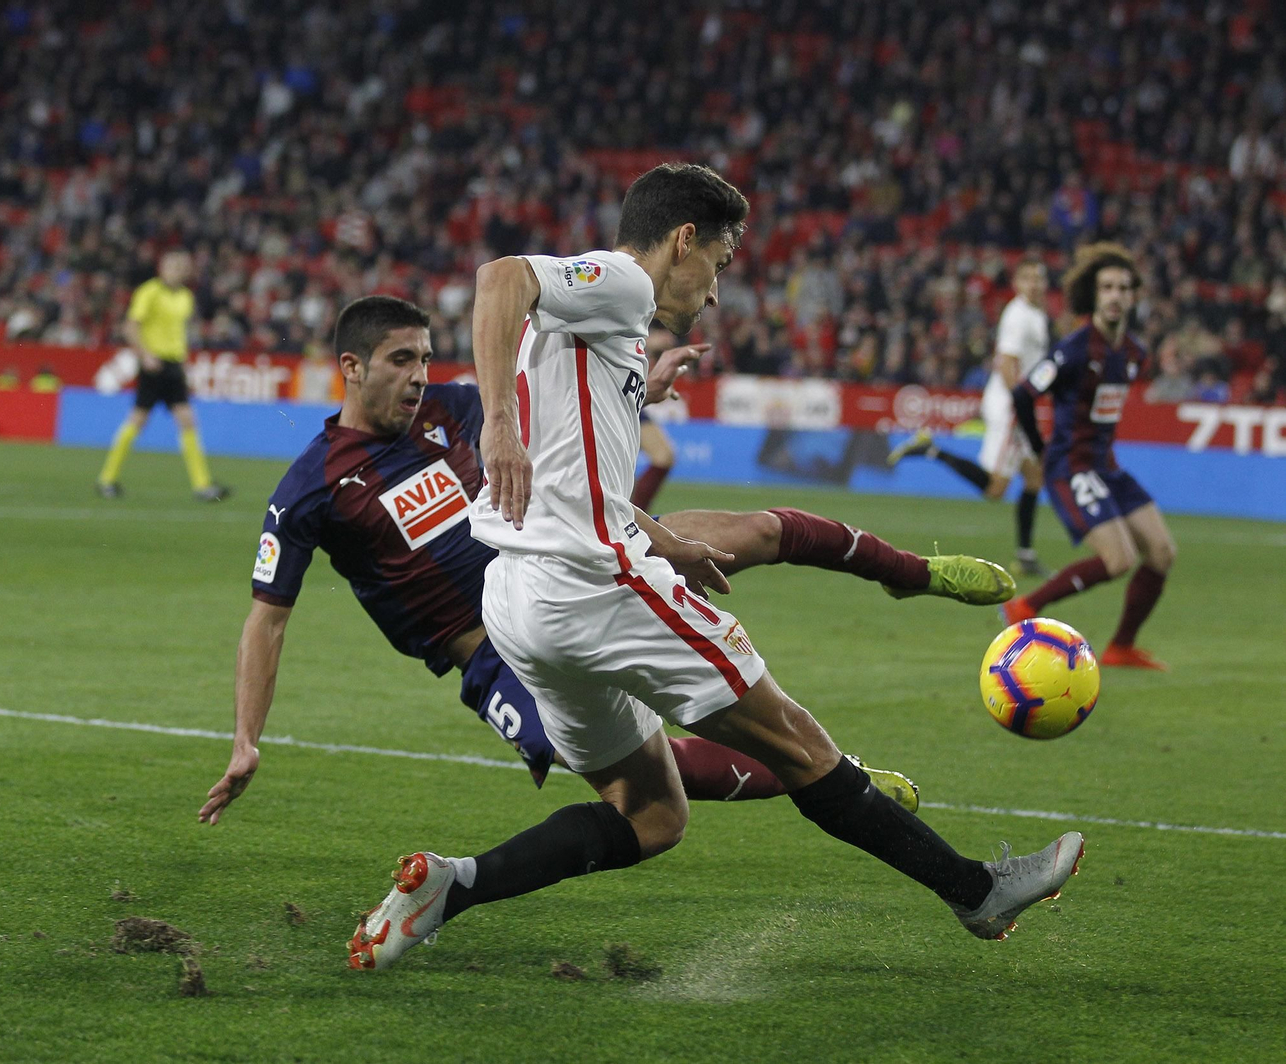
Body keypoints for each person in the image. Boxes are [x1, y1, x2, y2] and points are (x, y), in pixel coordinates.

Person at [348, 163, 1081, 972]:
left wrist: (662, 529)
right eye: (721, 264)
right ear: (683, 240)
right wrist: (497, 428)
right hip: (592, 591)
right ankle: (976, 891)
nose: (718, 291)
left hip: (517, 604)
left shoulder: (602, 330)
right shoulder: (624, 281)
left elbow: (579, 473)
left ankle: (452, 887)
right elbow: (498, 278)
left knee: (652, 813)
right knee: (801, 747)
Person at [199, 294, 1017, 831]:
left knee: (760, 531)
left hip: (578, 550)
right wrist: (246, 740)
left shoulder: (457, 409)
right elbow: (266, 621)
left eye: (424, 357)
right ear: (351, 369)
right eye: (400, 362)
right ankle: (839, 776)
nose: (420, 378)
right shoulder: (311, 487)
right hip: (491, 651)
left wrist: (640, 389)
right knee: (654, 782)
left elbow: (560, 428)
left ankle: (914, 575)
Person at [1002, 243, 1175, 670]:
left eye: (1123, 287)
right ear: (1094, 296)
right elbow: (1024, 394)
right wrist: (1041, 451)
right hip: (1070, 466)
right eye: (1107, 287)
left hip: (1107, 466)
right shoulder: (1075, 349)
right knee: (1119, 560)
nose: (1115, 295)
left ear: (1133, 295)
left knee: (1163, 552)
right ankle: (1025, 605)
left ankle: (1121, 647)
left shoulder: (1133, 353)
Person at [887, 259, 1054, 575]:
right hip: (1011, 407)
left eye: (1039, 278)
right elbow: (1006, 365)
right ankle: (930, 449)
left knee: (1034, 476)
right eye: (1028, 278)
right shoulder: (1019, 316)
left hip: (1018, 404)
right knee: (995, 490)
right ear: (1017, 283)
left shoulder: (1036, 314)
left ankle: (1027, 555)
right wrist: (1021, 406)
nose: (1035, 284)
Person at [96, 249, 230, 501]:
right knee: (138, 420)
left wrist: (183, 360)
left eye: (181, 267)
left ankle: (202, 485)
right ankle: (106, 478)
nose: (177, 271)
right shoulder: (149, 292)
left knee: (187, 419)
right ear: (162, 268)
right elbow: (130, 326)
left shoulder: (186, 298)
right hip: (152, 364)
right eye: (173, 266)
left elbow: (179, 332)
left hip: (174, 365)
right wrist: (144, 355)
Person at [631, 324, 700, 511]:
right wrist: (647, 340)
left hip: (629, 395)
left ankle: (633, 520)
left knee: (663, 456)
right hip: (601, 392)